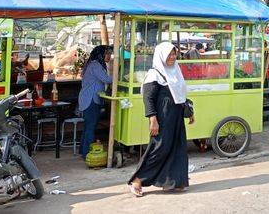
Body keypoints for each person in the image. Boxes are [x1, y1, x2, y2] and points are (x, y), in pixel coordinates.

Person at [129, 42, 194, 197]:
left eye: (174, 54)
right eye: (169, 54)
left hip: (177, 115)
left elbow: (180, 94)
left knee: (177, 148)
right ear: (161, 56)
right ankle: (137, 180)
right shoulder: (154, 74)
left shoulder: (176, 71)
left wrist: (190, 111)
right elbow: (148, 98)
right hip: (162, 117)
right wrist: (153, 119)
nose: (172, 57)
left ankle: (172, 182)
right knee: (159, 148)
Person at [78, 45, 113, 159]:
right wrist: (120, 76)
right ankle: (87, 153)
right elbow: (107, 79)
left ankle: (83, 151)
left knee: (88, 125)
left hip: (88, 99)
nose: (109, 56)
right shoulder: (95, 65)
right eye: (107, 53)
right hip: (90, 100)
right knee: (91, 126)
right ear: (100, 55)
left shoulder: (94, 64)